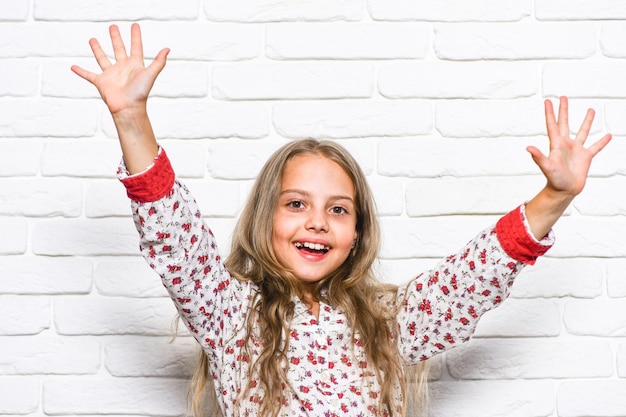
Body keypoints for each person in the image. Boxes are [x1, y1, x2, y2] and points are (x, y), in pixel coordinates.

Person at [71, 23, 612, 417]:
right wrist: (132, 119)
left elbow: (469, 280)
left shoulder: (389, 323)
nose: (318, 223)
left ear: (356, 236)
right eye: (296, 204)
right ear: (265, 220)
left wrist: (553, 196)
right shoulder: (229, 313)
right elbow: (176, 238)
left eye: (338, 210)